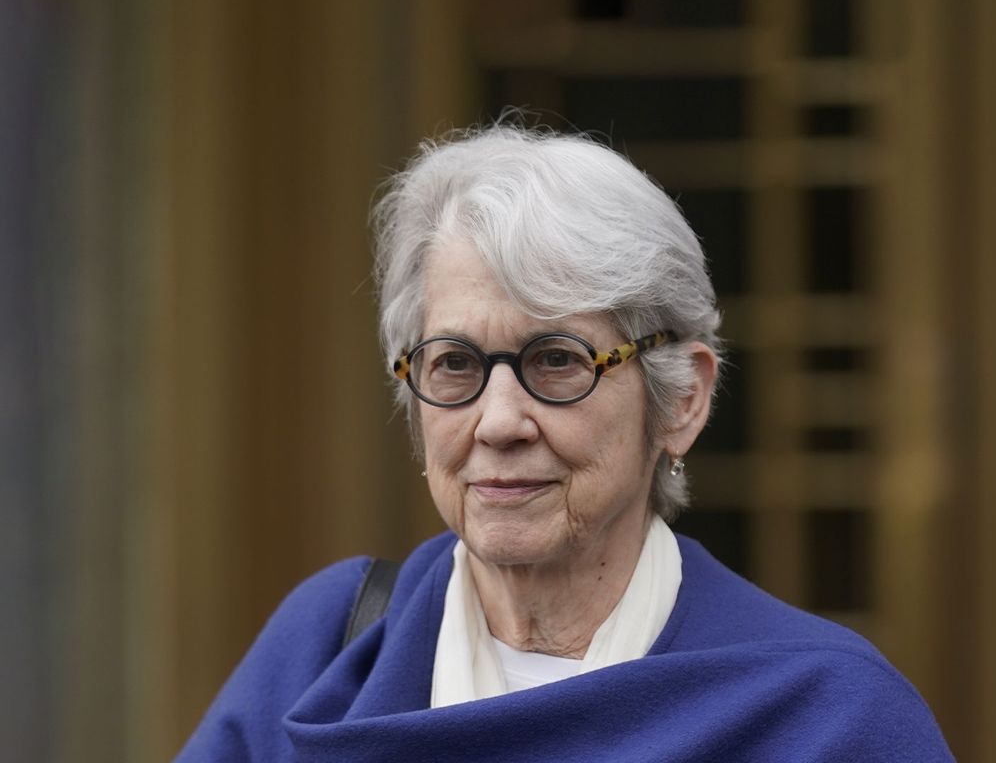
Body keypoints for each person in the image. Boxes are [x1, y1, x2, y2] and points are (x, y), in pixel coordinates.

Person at [177, 125, 954, 761]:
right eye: (455, 365)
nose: (499, 420)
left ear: (682, 400)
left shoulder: (827, 717)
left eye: (558, 361)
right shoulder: (332, 644)